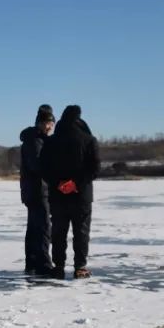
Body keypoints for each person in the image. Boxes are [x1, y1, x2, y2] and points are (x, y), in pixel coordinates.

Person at [40, 105, 100, 279]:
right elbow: (94, 168)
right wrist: (75, 184)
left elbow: (43, 167)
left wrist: (59, 184)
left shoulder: (51, 142)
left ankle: (58, 266)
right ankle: (80, 266)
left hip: (58, 195)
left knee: (58, 231)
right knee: (81, 231)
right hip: (81, 195)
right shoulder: (89, 140)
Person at [20, 104, 55, 276]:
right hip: (37, 190)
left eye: (51, 123)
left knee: (34, 227)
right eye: (47, 123)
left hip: (32, 190)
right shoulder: (34, 140)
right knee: (42, 228)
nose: (49, 127)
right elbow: (37, 166)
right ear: (40, 123)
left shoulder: (36, 139)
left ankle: (32, 262)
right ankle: (43, 264)